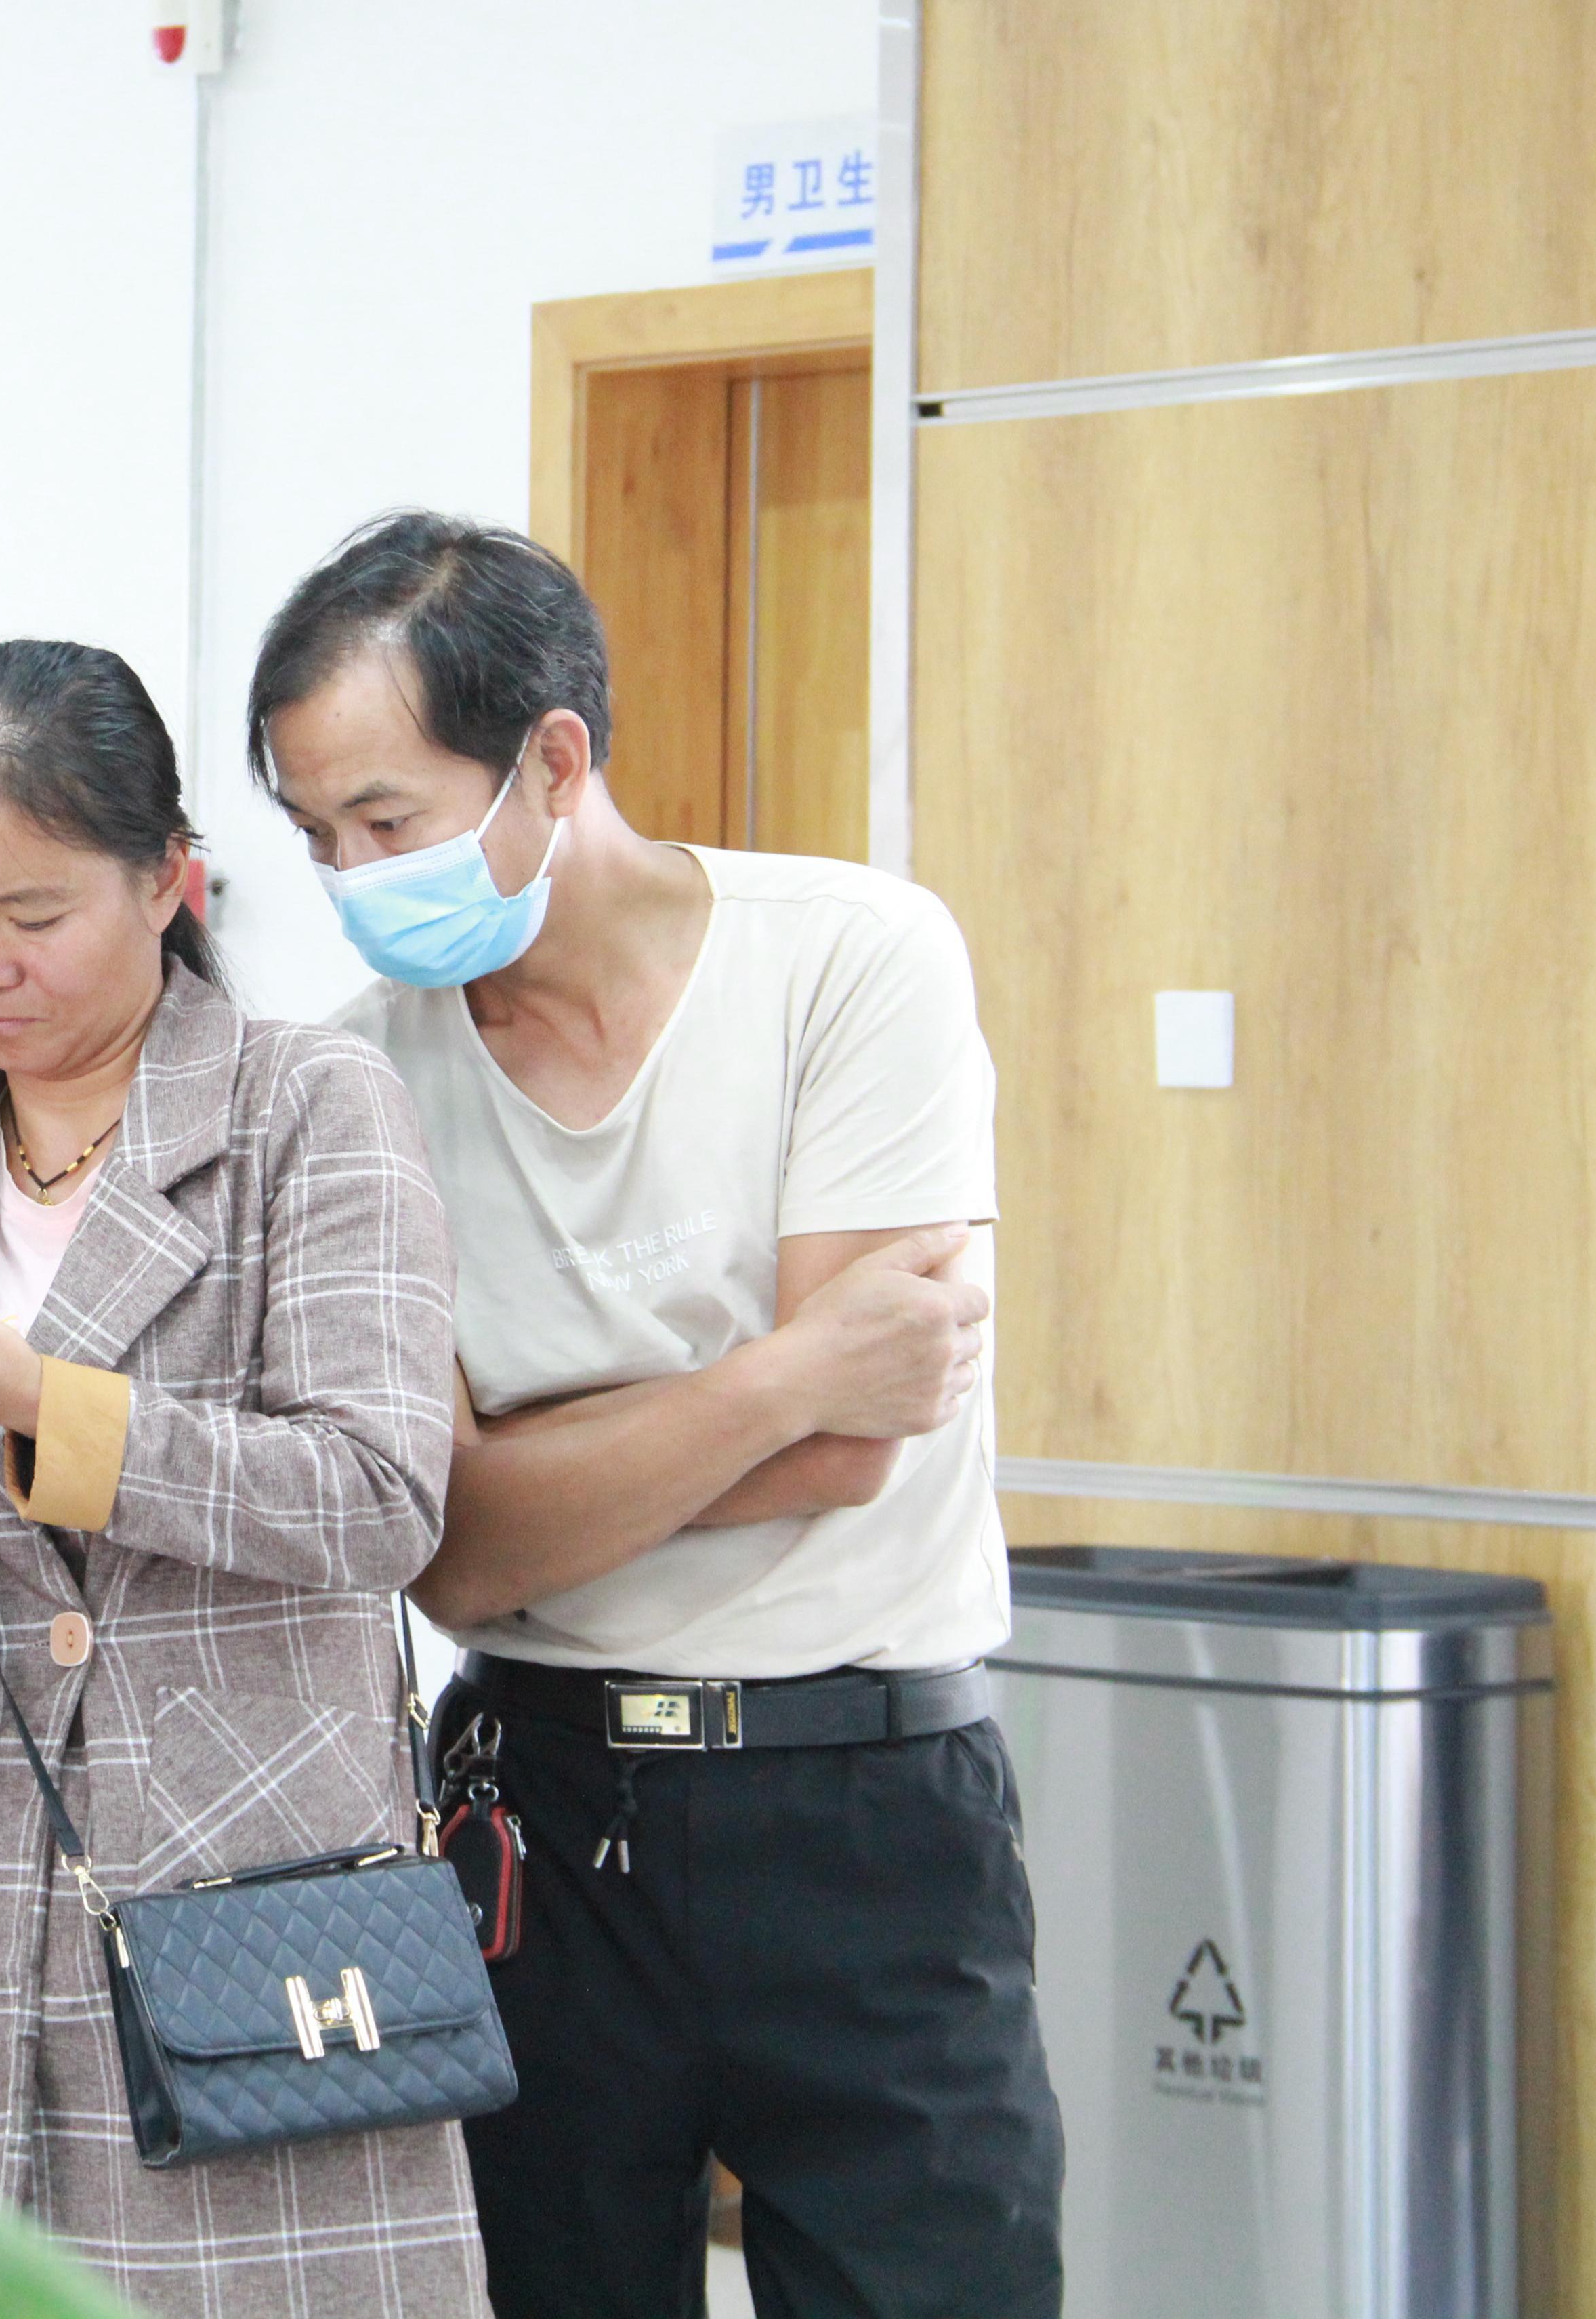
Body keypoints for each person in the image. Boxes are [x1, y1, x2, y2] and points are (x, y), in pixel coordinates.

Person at [248, 513, 1064, 2319]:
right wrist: (776, 1373)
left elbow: (865, 1445)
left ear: (554, 761)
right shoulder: (360, 1077)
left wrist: (565, 1449)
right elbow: (457, 1549)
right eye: (316, 838)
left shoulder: (851, 957)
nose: (355, 878)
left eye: (386, 821)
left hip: (866, 1803)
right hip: (541, 1816)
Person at [0, 640, 490, 2317]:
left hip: (239, 1932)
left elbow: (379, 1497)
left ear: (167, 879)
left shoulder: (310, 1109)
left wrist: (38, 1405)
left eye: (34, 912)